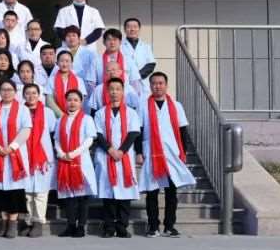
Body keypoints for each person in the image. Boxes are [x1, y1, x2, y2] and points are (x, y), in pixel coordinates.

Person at [136, 72, 195, 238]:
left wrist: (184, 153)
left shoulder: (176, 106)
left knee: (171, 192)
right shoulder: (143, 106)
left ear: (166, 85)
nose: (157, 86)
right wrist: (139, 152)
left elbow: (183, 131)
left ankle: (169, 226)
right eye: (154, 83)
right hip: (152, 153)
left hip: (171, 154)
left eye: (161, 83)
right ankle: (153, 226)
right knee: (152, 192)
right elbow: (138, 130)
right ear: (150, 86)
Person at [93, 78, 142, 238]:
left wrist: (120, 151)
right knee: (108, 194)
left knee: (125, 194)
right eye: (111, 89)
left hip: (124, 157)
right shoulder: (100, 113)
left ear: (123, 91)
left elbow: (133, 133)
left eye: (118, 89)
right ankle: (109, 227)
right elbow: (98, 135)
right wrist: (110, 150)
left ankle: (122, 227)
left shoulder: (131, 113)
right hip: (106, 155)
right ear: (107, 92)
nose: (114, 92)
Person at [0, 80, 31, 239]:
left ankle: (12, 224)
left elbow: (26, 130)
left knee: (14, 191)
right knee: (0, 192)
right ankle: (3, 223)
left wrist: (11, 147)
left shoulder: (22, 109)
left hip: (15, 154)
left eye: (9, 89)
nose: (6, 92)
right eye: (3, 89)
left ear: (15, 92)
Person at [55, 89, 97, 238]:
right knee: (69, 196)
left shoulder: (87, 119)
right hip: (65, 161)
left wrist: (72, 154)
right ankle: (70, 225)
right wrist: (61, 153)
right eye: (69, 100)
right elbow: (57, 139)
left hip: (81, 161)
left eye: (75, 100)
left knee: (82, 197)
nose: (72, 103)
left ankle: (81, 226)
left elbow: (89, 140)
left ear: (81, 102)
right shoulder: (61, 120)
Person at [20, 83, 56, 238]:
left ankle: (38, 222)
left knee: (41, 191)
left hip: (43, 156)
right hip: (24, 153)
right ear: (23, 95)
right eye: (28, 93)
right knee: (27, 191)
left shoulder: (48, 112)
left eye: (34, 93)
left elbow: (53, 132)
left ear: (39, 94)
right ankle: (28, 221)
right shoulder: (20, 111)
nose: (31, 96)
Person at [61, 26, 101, 97]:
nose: (71, 38)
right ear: (65, 38)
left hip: (86, 89)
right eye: (68, 36)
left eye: (74, 35)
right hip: (65, 87)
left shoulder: (90, 53)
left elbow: (97, 73)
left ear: (79, 38)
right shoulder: (58, 52)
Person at [122, 18, 158, 96]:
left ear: (139, 29)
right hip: (126, 82)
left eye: (135, 27)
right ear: (124, 29)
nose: (132, 29)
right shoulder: (119, 47)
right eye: (129, 27)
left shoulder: (146, 47)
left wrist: (136, 76)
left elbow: (151, 65)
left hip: (143, 82)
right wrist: (131, 78)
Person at [49, 50, 86, 117]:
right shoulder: (51, 80)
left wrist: (72, 115)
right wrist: (62, 116)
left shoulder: (79, 80)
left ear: (71, 63)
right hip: (56, 116)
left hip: (75, 116)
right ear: (57, 63)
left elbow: (81, 99)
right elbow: (49, 101)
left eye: (67, 61)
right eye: (62, 61)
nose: (64, 64)